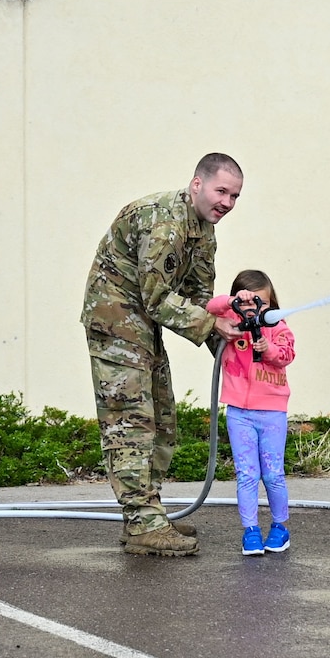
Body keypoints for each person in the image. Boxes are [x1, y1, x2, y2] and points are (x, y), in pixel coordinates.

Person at [83, 153, 246, 557]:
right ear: (197, 184)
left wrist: (233, 346)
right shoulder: (166, 224)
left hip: (143, 321)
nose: (226, 202)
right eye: (220, 190)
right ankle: (143, 523)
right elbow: (157, 297)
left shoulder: (204, 230)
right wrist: (212, 328)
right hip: (116, 318)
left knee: (162, 416)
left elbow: (200, 300)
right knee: (132, 420)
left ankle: (146, 514)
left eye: (235, 196)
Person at [206, 269, 296, 558]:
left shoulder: (278, 328)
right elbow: (210, 307)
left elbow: (287, 355)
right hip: (239, 414)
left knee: (272, 474)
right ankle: (251, 532)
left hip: (271, 413)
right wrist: (233, 300)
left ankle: (280, 528)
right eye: (247, 303)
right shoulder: (231, 326)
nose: (254, 309)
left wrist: (268, 349)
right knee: (246, 474)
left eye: (262, 303)